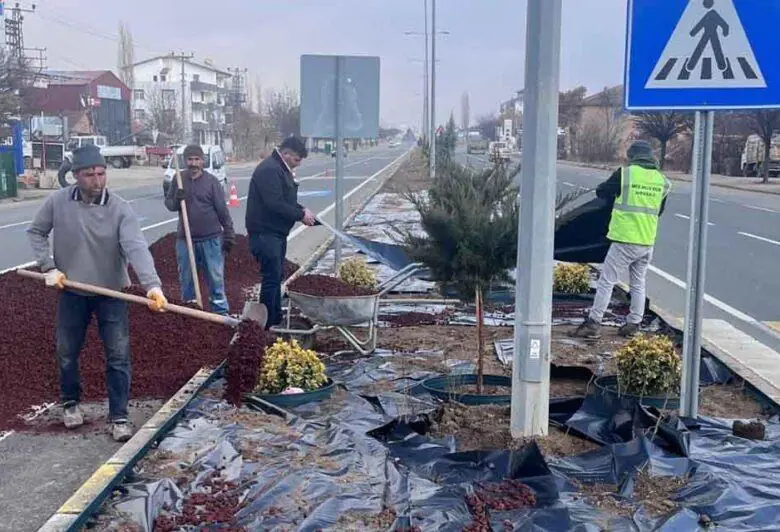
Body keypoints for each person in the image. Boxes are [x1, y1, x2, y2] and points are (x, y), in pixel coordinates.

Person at [27, 145, 168, 442]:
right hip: (72, 290)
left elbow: (135, 247)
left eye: (101, 173)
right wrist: (48, 266)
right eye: (90, 174)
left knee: (118, 355)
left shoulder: (120, 209)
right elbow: (36, 232)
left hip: (112, 292)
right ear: (76, 176)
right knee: (67, 351)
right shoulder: (57, 202)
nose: (97, 180)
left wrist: (152, 285)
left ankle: (119, 417)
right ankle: (70, 403)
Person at [574, 140, 671, 339]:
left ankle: (593, 323)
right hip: (647, 241)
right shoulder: (662, 181)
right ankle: (634, 324)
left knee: (606, 281)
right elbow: (658, 211)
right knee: (638, 283)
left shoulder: (625, 174)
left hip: (625, 239)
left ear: (632, 156)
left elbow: (602, 191)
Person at [245, 136, 316, 328]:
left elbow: (286, 200)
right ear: (285, 154)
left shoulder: (280, 169)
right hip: (265, 234)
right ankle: (267, 324)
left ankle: (275, 317)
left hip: (275, 233)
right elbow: (274, 203)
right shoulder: (269, 170)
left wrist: (303, 210)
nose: (297, 165)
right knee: (271, 278)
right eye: (296, 160)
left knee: (276, 277)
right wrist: (300, 214)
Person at [164, 144, 235, 315]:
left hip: (211, 239)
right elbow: (170, 205)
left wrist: (229, 235)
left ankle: (220, 314)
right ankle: (190, 314)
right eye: (190, 159)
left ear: (202, 161)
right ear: (185, 160)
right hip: (185, 240)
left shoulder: (211, 182)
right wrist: (176, 198)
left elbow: (222, 211)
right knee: (186, 280)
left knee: (215, 279)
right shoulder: (178, 179)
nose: (193, 163)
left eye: (197, 159)